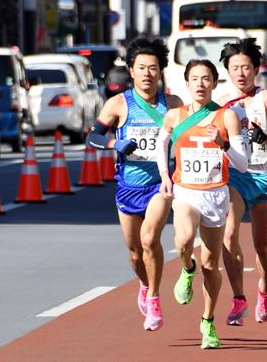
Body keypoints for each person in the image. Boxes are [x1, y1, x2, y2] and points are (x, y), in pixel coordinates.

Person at [86, 38, 183, 332]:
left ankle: (154, 300)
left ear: (161, 71)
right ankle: (143, 284)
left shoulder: (174, 104)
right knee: (134, 251)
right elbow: (92, 137)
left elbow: (190, 137)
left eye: (153, 68)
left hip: (160, 184)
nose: (147, 74)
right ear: (131, 70)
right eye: (141, 68)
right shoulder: (118, 104)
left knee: (150, 239)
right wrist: (116, 142)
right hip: (129, 185)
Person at [155, 59, 247, 349]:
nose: (200, 84)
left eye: (206, 78)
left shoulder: (227, 117)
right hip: (186, 192)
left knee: (212, 264)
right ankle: (186, 267)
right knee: (182, 239)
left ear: (214, 83)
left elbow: (242, 166)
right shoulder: (174, 116)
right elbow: (161, 144)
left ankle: (207, 321)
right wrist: (164, 175)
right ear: (186, 83)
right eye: (194, 78)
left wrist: (223, 143)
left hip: (216, 195)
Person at [217, 38, 267, 327]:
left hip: (263, 178)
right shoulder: (222, 102)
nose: (241, 73)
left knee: (262, 244)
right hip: (235, 176)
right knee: (228, 234)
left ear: (256, 69)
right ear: (227, 70)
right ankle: (239, 297)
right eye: (235, 67)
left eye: (246, 67)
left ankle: (265, 289)